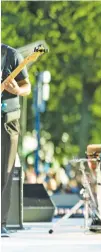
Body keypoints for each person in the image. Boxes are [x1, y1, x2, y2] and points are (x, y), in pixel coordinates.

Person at [1, 43, 32, 237]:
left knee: (5, 170)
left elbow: (26, 86)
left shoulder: (11, 55)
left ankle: (1, 221)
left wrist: (17, 90)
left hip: (7, 119)